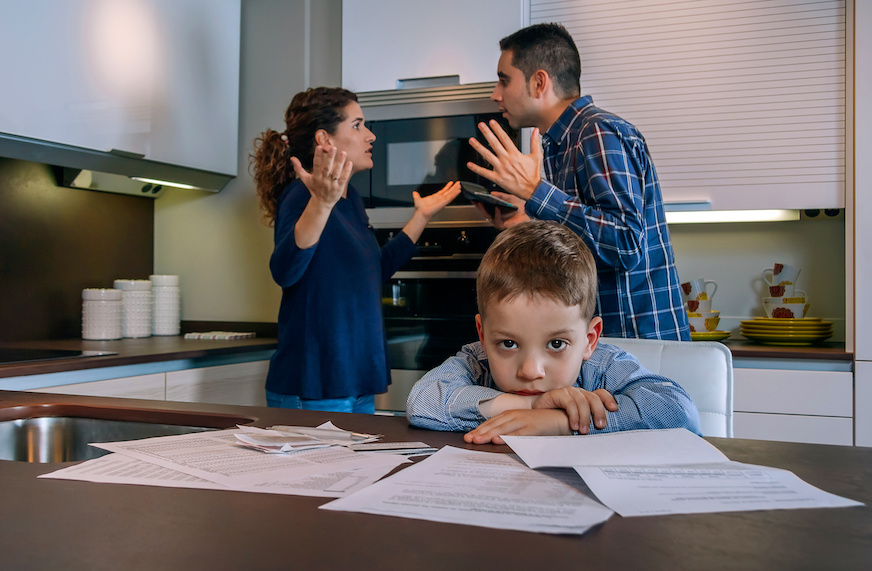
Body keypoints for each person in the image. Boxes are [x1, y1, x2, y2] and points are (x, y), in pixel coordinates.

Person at [466, 23, 689, 341]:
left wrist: (535, 191)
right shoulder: (559, 143)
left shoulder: (596, 132)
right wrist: (524, 216)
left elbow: (626, 244)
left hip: (640, 344)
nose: (495, 94)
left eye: (504, 81)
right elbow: (585, 243)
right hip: (608, 344)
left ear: (539, 82)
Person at [251, 87, 460, 414]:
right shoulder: (301, 195)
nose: (370, 135)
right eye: (358, 125)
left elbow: (373, 270)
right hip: (317, 386)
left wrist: (421, 217)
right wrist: (321, 203)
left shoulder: (352, 201)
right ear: (326, 140)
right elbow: (285, 270)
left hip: (356, 382)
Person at [406, 220, 701, 444]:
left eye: (556, 343)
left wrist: (560, 422)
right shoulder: (476, 360)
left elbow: (679, 412)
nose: (531, 371)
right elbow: (423, 402)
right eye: (508, 343)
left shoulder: (604, 365)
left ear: (590, 340)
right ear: (483, 335)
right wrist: (530, 405)